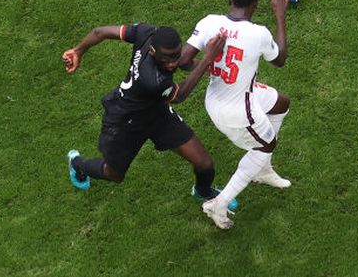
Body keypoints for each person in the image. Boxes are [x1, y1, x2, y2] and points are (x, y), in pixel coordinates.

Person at [63, 22, 240, 210]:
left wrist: (78, 50)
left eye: (176, 56)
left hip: (157, 114)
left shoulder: (146, 33)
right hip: (126, 122)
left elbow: (100, 32)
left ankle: (203, 192)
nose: (173, 63)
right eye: (167, 59)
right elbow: (180, 95)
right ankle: (77, 164)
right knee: (114, 174)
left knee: (204, 164)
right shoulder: (152, 80)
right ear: (153, 51)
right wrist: (208, 58)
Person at [179, 0, 293, 229]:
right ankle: (218, 204)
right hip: (237, 111)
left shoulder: (210, 22)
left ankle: (261, 170)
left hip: (221, 97)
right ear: (255, 5)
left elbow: (183, 60)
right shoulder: (258, 34)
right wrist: (280, 15)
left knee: (281, 103)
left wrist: (212, 66)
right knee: (266, 145)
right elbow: (280, 59)